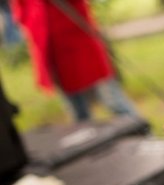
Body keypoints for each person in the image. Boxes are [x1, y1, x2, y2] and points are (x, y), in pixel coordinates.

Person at [11, 0, 140, 122]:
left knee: (113, 101)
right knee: (79, 113)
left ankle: (144, 133)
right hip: (52, 51)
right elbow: (21, 12)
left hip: (80, 42)